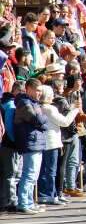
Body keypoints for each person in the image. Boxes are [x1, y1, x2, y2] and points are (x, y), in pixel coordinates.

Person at [37, 85, 79, 205]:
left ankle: (46, 193)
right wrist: (75, 110)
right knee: (51, 170)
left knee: (45, 170)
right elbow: (64, 122)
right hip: (52, 142)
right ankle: (49, 194)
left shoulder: (40, 107)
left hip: (44, 142)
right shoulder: (50, 108)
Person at [14, 79, 48, 214]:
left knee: (34, 175)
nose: (40, 93)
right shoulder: (24, 103)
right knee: (28, 174)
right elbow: (38, 120)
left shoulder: (34, 103)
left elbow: (42, 122)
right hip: (30, 141)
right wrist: (42, 119)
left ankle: (29, 201)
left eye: (40, 90)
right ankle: (23, 203)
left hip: (36, 141)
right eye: (37, 90)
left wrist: (42, 120)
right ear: (29, 89)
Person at [0, 81, 25, 213]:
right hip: (9, 145)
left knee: (8, 173)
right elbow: (9, 127)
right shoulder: (11, 105)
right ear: (16, 91)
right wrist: (16, 141)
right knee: (12, 173)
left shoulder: (6, 103)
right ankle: (10, 201)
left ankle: (6, 200)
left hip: (6, 144)